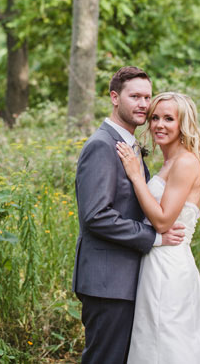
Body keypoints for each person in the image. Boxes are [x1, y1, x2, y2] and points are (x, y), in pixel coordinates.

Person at [116, 92, 200, 363]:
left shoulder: (186, 162)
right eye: (155, 118)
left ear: (183, 124)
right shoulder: (167, 163)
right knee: (154, 339)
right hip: (154, 261)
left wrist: (136, 177)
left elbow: (163, 221)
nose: (159, 125)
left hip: (170, 266)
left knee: (171, 340)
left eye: (169, 119)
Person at [72, 66, 186, 364]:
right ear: (114, 97)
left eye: (147, 97)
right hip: (108, 282)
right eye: (135, 96)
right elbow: (96, 216)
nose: (143, 104)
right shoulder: (101, 146)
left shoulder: (129, 145)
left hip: (128, 279)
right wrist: (154, 238)